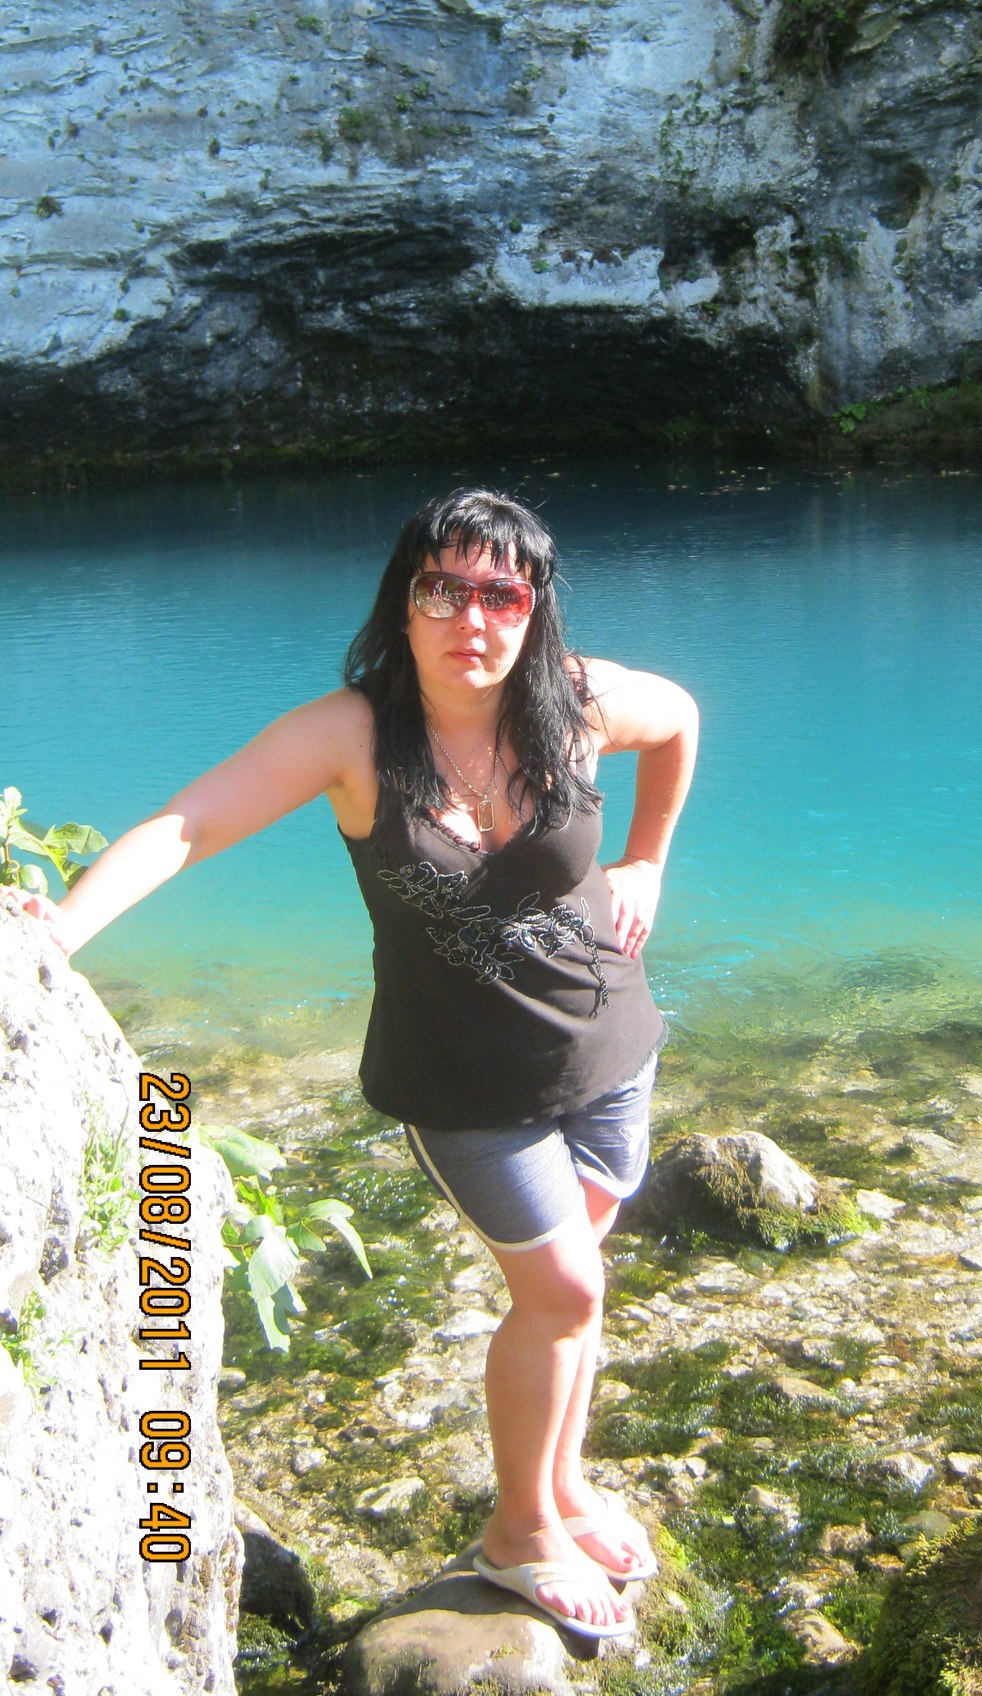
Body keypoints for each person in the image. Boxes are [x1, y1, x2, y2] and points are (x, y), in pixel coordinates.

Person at [17, 486, 698, 1645]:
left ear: (533, 608)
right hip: (463, 1087)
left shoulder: (575, 701)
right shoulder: (352, 736)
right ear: (404, 600)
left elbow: (680, 717)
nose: (472, 616)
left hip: (611, 1046)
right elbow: (190, 824)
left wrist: (646, 861)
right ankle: (518, 1532)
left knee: (570, 1284)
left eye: (501, 592)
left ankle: (564, 1484)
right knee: (565, 1291)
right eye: (444, 587)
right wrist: (62, 929)